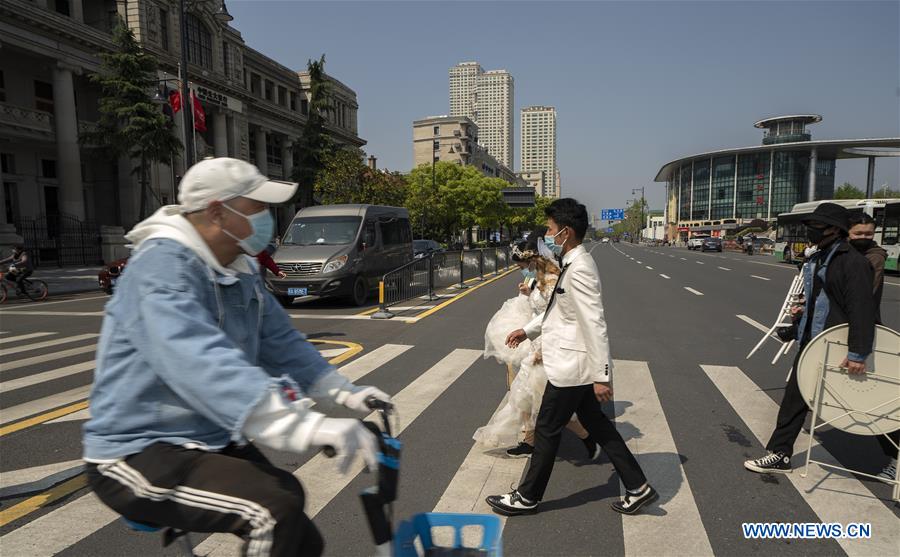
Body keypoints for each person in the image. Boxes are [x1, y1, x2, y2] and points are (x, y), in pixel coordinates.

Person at [82, 158, 391, 557]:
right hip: (138, 449)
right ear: (216, 211)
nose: (267, 218)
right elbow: (197, 360)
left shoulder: (238, 265)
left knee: (290, 499)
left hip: (208, 438)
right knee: (271, 512)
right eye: (256, 208)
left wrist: (344, 393)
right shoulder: (161, 267)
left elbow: (279, 341)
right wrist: (306, 427)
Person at [486, 198, 656, 517]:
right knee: (598, 426)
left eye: (550, 229)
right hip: (570, 362)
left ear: (565, 232)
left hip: (572, 366)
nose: (547, 235)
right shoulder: (571, 262)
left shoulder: (580, 269)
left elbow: (594, 323)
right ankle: (639, 487)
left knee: (548, 428)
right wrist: (528, 330)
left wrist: (601, 375)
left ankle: (527, 496)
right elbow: (559, 313)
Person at [745, 203, 876, 474]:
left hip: (836, 346)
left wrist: (857, 353)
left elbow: (862, 309)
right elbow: (821, 302)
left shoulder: (852, 262)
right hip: (814, 344)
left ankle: (894, 452)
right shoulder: (819, 257)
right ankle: (780, 453)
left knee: (868, 407)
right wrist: (799, 319)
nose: (809, 231)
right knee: (795, 398)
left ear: (833, 229)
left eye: (815, 226)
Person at [476, 229, 601, 461]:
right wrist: (530, 292)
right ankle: (530, 442)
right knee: (524, 396)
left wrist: (533, 341)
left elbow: (554, 315)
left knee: (548, 405)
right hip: (537, 343)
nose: (523, 268)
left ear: (534, 259)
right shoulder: (541, 279)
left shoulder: (553, 280)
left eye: (524, 263)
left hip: (549, 345)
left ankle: (586, 437)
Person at [846, 212, 896, 481]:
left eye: (868, 234)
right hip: (855, 331)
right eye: (859, 234)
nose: (864, 238)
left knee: (875, 403)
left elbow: (864, 300)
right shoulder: (849, 256)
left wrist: (857, 347)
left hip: (863, 332)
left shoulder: (872, 258)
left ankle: (896, 457)